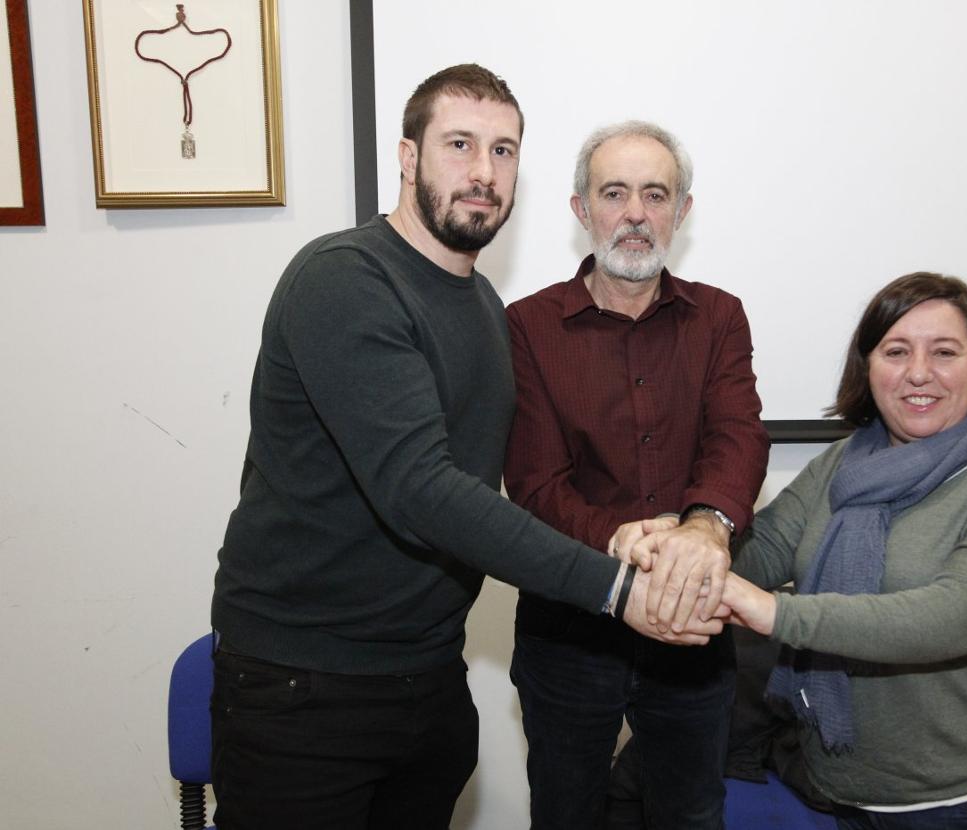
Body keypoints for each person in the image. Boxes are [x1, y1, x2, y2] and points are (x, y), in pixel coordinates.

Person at [209, 66, 719, 830]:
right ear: (409, 157)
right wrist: (619, 588)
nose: (484, 173)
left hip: (427, 681)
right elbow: (422, 491)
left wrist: (643, 535)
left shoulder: (482, 304)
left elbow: (506, 485)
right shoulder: (345, 279)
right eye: (460, 145)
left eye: (504, 151)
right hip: (306, 690)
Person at [711, 272, 967, 828]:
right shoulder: (840, 465)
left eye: (946, 352)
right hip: (849, 794)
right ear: (869, 368)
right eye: (896, 351)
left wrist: (774, 612)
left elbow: (955, 614)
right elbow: (760, 554)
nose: (918, 373)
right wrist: (685, 535)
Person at [503, 121, 770, 829]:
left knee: (691, 815)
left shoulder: (720, 318)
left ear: (681, 213)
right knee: (567, 816)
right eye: (614, 193)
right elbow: (535, 483)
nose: (634, 213)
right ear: (581, 211)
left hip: (691, 624)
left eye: (655, 195)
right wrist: (641, 548)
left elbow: (738, 435)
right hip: (570, 630)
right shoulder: (525, 327)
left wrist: (704, 528)